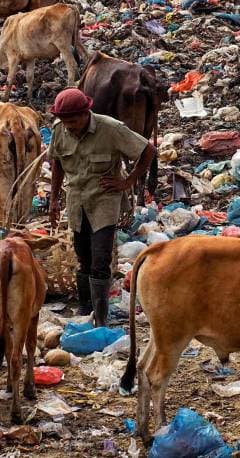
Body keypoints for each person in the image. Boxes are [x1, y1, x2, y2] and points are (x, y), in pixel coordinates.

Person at [47, 88, 156, 327]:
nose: (70, 127)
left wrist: (128, 181)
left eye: (74, 121)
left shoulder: (111, 128)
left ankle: (101, 316)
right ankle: (86, 310)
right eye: (66, 122)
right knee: (83, 258)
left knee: (100, 258)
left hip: (104, 200)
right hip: (77, 200)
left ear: (86, 113)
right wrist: (53, 199)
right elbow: (57, 163)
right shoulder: (59, 131)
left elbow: (148, 150)